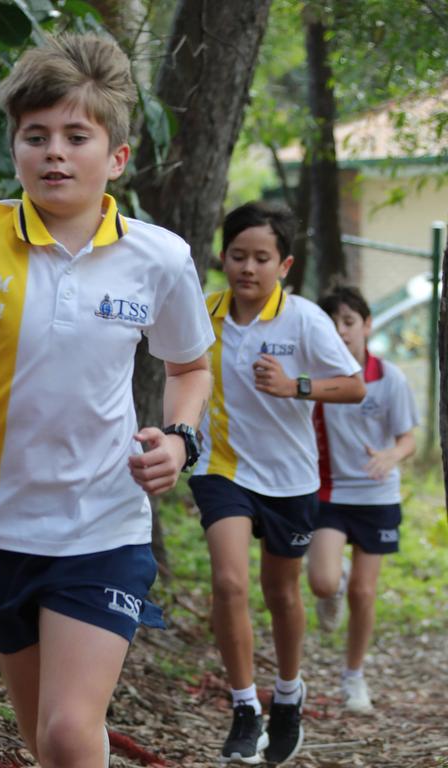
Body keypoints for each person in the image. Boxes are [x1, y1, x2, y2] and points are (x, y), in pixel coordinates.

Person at [0, 34, 214, 768]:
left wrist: (181, 439)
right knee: (47, 741)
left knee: (65, 729)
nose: (55, 152)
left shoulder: (161, 259)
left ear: (116, 156)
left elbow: (190, 366)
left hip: (105, 527)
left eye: (76, 135)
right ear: (16, 148)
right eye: (36, 136)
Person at [187, 202, 366, 765]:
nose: (248, 267)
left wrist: (296, 386)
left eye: (262, 258)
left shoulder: (306, 319)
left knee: (281, 592)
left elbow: (355, 386)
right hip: (222, 469)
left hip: (289, 478)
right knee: (229, 583)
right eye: (238, 255)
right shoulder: (203, 313)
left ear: (283, 264)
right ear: (223, 257)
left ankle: (288, 693)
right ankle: (245, 708)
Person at [307, 286, 417, 714]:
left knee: (364, 593)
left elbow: (408, 438)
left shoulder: (390, 378)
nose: (340, 331)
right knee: (322, 581)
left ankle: (354, 677)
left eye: (349, 322)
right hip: (330, 493)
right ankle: (334, 581)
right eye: (332, 323)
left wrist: (392, 454)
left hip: (377, 495)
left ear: (367, 326)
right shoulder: (314, 377)